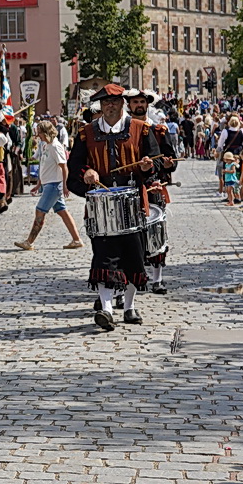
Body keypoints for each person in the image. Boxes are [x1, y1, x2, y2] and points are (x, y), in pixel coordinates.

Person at [68, 85, 160, 331]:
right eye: (106, 102)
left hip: (133, 205)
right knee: (104, 259)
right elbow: (74, 167)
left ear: (123, 104)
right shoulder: (86, 133)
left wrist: (146, 167)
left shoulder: (141, 130)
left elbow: (156, 165)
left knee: (134, 259)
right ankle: (107, 310)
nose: (110, 106)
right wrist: (85, 172)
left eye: (115, 102)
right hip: (101, 207)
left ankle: (129, 307)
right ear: (100, 105)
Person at [131, 91, 179, 293]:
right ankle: (136, 276)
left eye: (142, 102)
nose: (139, 105)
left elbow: (170, 160)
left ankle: (157, 279)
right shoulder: (125, 130)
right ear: (129, 105)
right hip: (130, 186)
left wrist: (167, 164)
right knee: (133, 234)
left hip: (153, 185)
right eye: (135, 102)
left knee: (157, 231)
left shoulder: (159, 130)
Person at [17, 119, 82, 251]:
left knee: (40, 211)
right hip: (48, 183)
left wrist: (65, 185)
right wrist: (39, 184)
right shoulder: (46, 145)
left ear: (46, 132)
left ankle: (29, 242)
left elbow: (64, 167)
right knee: (63, 212)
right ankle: (77, 240)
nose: (37, 136)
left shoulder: (55, 146)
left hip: (54, 185)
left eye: (39, 133)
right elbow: (45, 167)